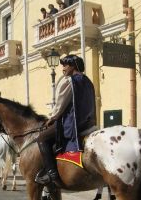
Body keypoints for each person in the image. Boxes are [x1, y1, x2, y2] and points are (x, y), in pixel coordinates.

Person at [35, 55, 96, 187]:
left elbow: (60, 104)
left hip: (73, 123)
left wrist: (52, 118)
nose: (63, 68)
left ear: (73, 66)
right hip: (88, 122)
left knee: (42, 138)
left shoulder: (70, 81)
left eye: (65, 65)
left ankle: (51, 174)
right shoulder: (87, 81)